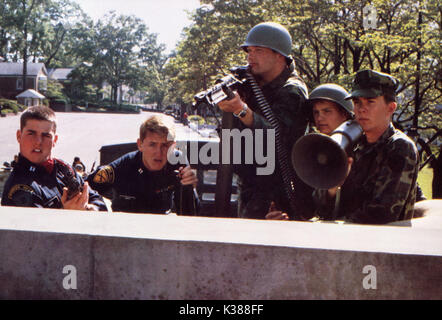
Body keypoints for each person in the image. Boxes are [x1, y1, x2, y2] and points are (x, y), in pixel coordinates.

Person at [217, 22, 312, 220]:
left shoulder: (292, 91)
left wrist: (242, 111)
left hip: (279, 189)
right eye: (248, 51)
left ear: (279, 55)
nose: (250, 57)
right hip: (250, 184)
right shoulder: (252, 83)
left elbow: (277, 137)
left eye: (258, 51)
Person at [313, 70, 419, 224]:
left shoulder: (400, 147)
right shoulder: (352, 144)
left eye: (370, 102)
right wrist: (332, 190)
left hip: (383, 243)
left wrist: (337, 225)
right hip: (344, 238)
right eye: (357, 103)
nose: (361, 109)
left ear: (390, 108)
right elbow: (321, 209)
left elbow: (382, 213)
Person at [265, 83, 354, 220]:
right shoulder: (309, 148)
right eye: (316, 112)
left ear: (344, 114)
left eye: (327, 111)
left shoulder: (359, 149)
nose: (319, 118)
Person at [87, 115, 200, 215]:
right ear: (140, 145)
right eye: (152, 144)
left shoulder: (178, 162)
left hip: (160, 226)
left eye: (165, 145)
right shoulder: (122, 166)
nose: (159, 152)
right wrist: (96, 207)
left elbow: (191, 215)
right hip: (125, 227)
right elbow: (86, 187)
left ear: (173, 147)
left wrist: (189, 187)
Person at [1, 106, 107, 211]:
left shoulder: (63, 170)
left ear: (55, 140)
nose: (38, 141)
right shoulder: (19, 188)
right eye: (31, 134)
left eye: (46, 135)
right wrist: (69, 214)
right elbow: (31, 227)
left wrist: (90, 209)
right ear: (19, 136)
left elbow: (98, 201)